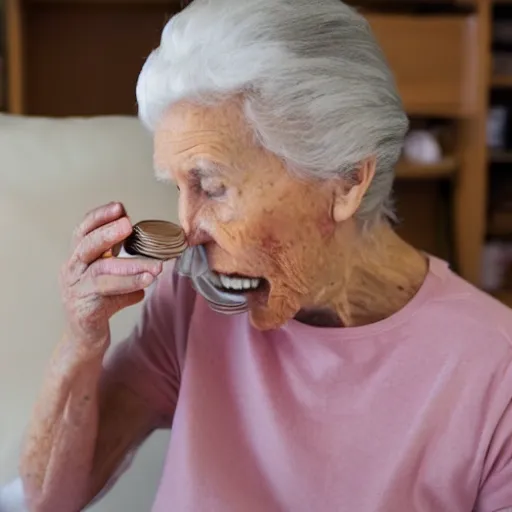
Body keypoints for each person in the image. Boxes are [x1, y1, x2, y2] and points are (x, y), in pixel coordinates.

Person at [14, 0, 512, 511]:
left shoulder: (496, 373)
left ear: (345, 182)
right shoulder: (190, 303)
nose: (186, 229)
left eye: (212, 186)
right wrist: (82, 339)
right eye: (178, 187)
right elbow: (47, 499)